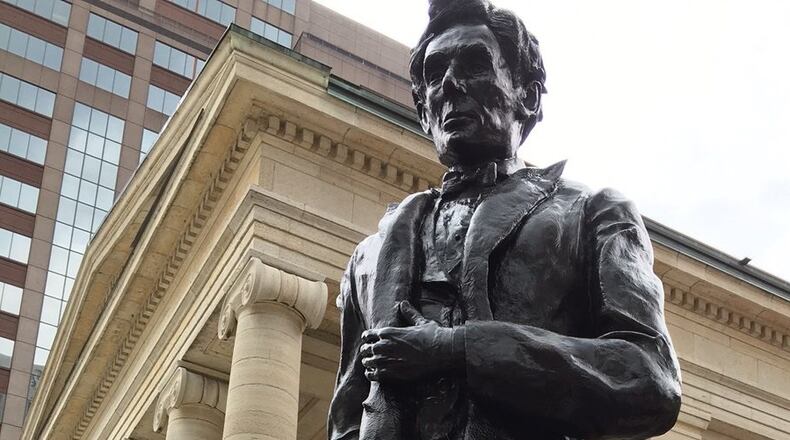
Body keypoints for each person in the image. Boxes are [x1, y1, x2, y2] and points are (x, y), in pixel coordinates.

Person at [328, 1, 682, 439]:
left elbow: (650, 380)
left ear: (527, 97)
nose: (451, 84)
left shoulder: (590, 214)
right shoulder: (369, 257)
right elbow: (346, 420)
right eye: (435, 74)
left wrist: (456, 349)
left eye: (475, 64)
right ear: (424, 113)